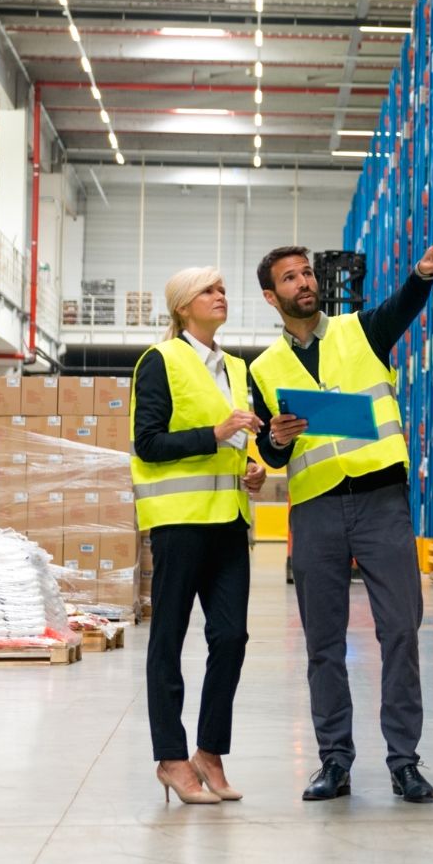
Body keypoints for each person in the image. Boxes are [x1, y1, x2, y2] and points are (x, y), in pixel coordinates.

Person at [248, 234, 433, 804]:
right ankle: (335, 762)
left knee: (400, 629)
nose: (304, 283)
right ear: (272, 297)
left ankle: (404, 762)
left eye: (306, 274)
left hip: (380, 500)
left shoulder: (358, 331)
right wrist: (275, 437)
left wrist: (422, 274)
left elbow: (402, 307)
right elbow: (271, 454)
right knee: (323, 641)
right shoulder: (263, 368)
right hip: (316, 508)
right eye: (290, 278)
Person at [132, 266, 266, 805]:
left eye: (223, 290)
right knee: (168, 638)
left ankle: (208, 755)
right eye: (209, 291)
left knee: (231, 638)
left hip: (230, 519)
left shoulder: (235, 366)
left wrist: (250, 469)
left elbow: (238, 445)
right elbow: (148, 443)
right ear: (183, 306)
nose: (221, 297)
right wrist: (217, 433)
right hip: (180, 521)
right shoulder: (160, 360)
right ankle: (170, 758)